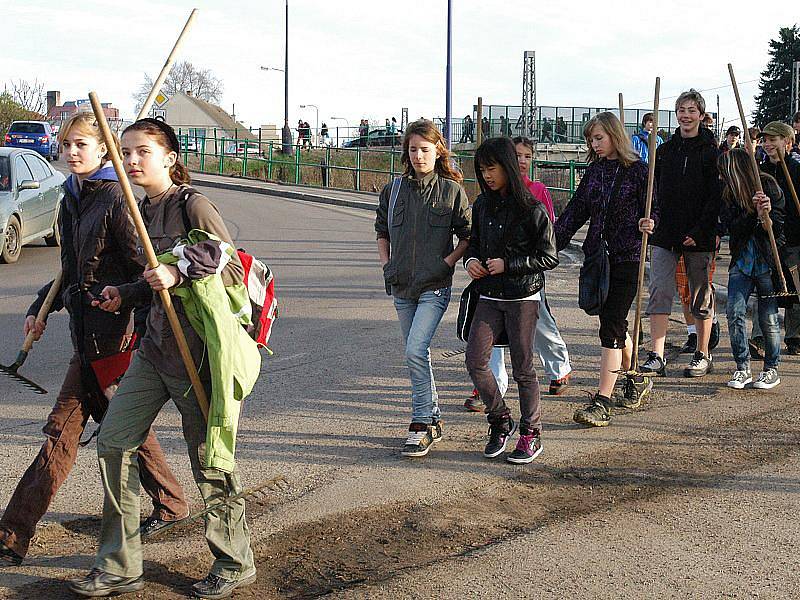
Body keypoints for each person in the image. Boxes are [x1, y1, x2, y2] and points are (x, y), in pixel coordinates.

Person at [69, 118, 257, 598]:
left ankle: (234, 562)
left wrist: (179, 270)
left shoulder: (192, 205)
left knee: (209, 460)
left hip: (199, 353)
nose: (131, 161)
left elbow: (231, 267)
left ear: (170, 158)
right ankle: (119, 565)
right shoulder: (142, 210)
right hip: (154, 351)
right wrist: (127, 291)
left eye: (142, 152)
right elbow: (152, 283)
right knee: (113, 443)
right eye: (125, 153)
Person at [0, 114, 189, 568]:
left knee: (61, 435)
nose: (72, 152)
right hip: (85, 338)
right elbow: (70, 268)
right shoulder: (72, 200)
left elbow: (147, 272)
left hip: (117, 341)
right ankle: (172, 502)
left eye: (83, 144)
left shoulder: (117, 202)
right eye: (66, 145)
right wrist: (38, 309)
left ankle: (11, 536)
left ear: (104, 150)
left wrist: (127, 308)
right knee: (124, 430)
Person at [375, 120, 471, 458]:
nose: (418, 156)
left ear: (438, 151)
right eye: (413, 149)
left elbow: (468, 235)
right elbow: (381, 230)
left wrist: (448, 262)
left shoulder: (451, 191)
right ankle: (433, 418)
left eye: (425, 150)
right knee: (418, 353)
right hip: (401, 285)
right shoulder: (394, 190)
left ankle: (419, 423)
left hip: (434, 285)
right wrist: (387, 263)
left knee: (415, 350)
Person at [555, 112, 654, 427]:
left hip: (628, 257)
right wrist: (549, 245)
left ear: (614, 135)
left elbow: (656, 209)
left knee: (610, 325)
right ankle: (635, 377)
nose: (594, 144)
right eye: (591, 140)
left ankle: (603, 400)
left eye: (598, 138)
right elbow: (575, 210)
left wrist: (651, 223)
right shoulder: (594, 171)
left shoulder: (639, 171)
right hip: (598, 257)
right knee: (612, 320)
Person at [464, 137, 558, 462]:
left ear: (506, 166)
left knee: (523, 369)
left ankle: (531, 432)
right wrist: (470, 262)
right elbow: (474, 243)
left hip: (523, 297)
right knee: (475, 360)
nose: (487, 175)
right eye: (482, 170)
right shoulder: (481, 205)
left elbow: (549, 256)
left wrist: (510, 265)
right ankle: (500, 419)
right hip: (488, 294)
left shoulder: (532, 208)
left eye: (492, 168)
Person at [640, 89, 721, 378]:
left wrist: (700, 231)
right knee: (659, 291)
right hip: (665, 234)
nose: (686, 115)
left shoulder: (712, 152)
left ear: (701, 114)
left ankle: (702, 353)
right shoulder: (665, 151)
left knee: (700, 295)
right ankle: (656, 355)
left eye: (691, 110)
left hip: (698, 236)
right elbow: (654, 191)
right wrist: (651, 219)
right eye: (681, 110)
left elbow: (716, 197)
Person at [718, 149, 785, 390]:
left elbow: (777, 229)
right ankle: (742, 367)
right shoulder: (728, 195)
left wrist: (766, 216)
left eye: (725, 171)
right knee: (734, 312)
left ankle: (771, 369)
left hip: (767, 262)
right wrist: (752, 214)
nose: (722, 176)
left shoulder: (767, 185)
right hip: (742, 262)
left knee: (769, 318)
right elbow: (733, 230)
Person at [750, 121, 800, 356]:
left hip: (793, 238)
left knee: (796, 289)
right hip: (766, 239)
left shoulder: (797, 170)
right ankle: (759, 338)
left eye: (773, 139)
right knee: (765, 287)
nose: (768, 144)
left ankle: (794, 336)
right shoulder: (759, 172)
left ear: (787, 142)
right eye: (765, 140)